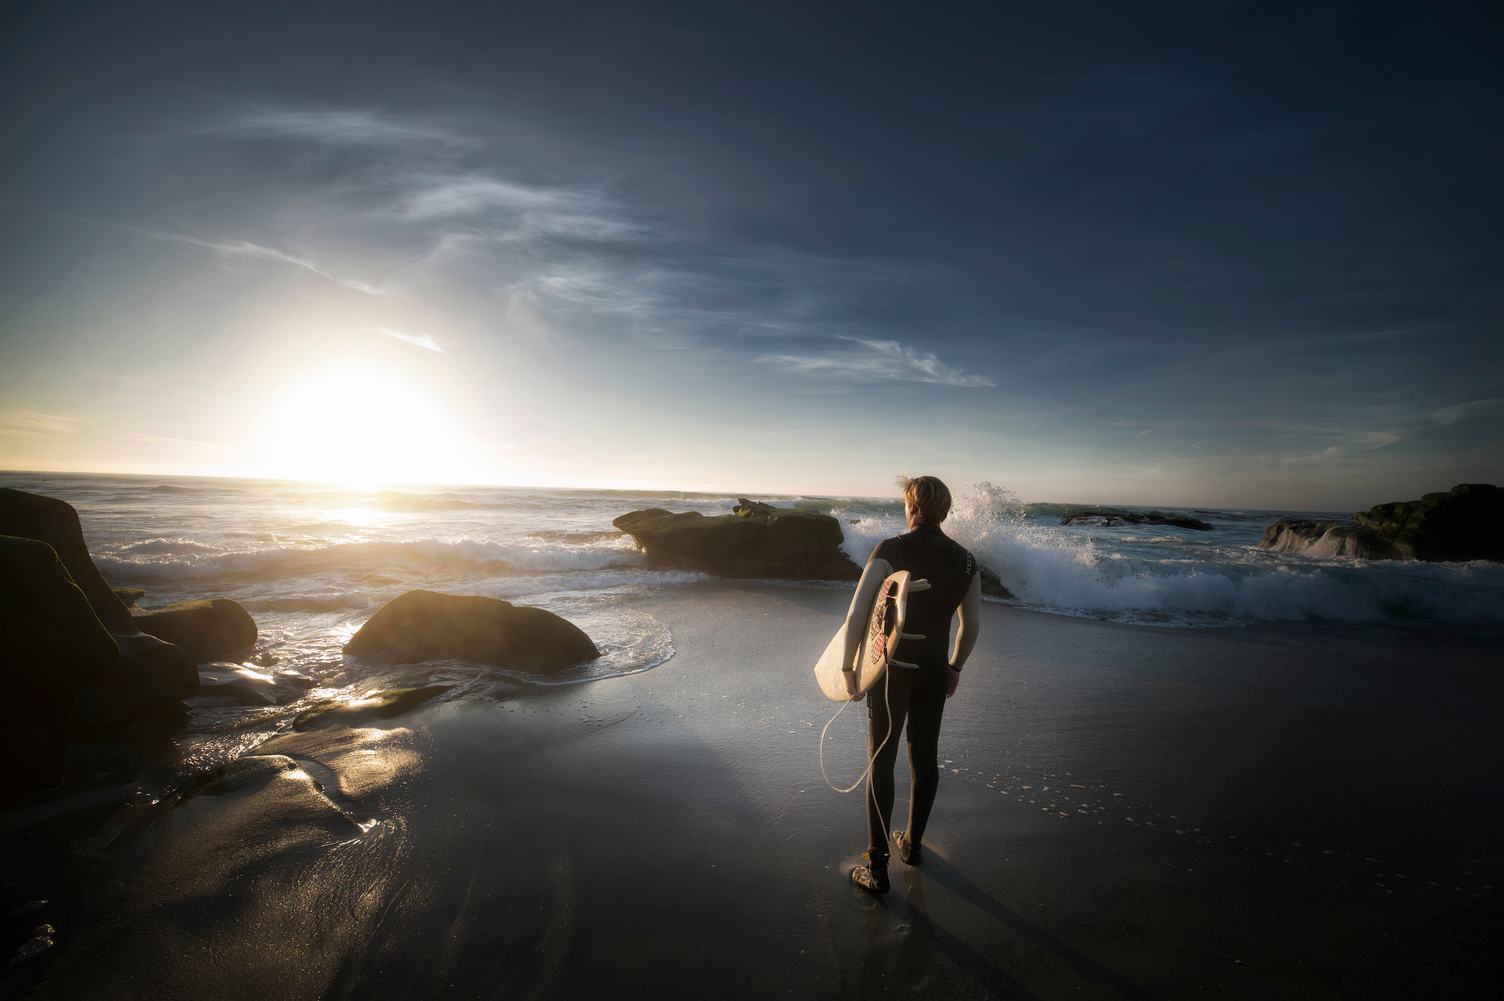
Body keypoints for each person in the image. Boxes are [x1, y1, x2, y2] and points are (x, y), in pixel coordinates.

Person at [842, 475, 981, 893]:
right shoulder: (967, 561)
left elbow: (856, 615)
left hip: (892, 673)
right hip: (934, 671)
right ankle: (913, 846)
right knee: (925, 758)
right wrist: (954, 668)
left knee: (881, 760)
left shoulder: (891, 549)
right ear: (945, 509)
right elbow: (969, 627)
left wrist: (850, 671)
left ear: (912, 507)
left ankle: (876, 865)